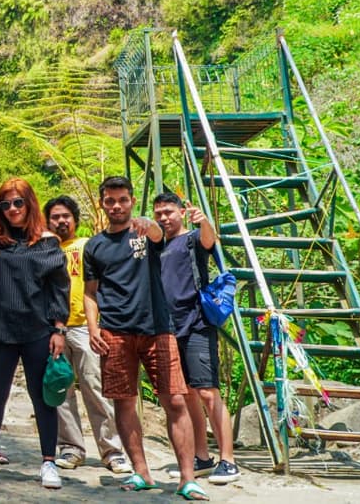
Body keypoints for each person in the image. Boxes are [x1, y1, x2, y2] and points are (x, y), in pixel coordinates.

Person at [84, 176, 205, 501]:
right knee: (123, 402)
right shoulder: (94, 246)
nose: (116, 206)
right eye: (110, 200)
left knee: (175, 400)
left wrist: (149, 225)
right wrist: (93, 328)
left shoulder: (146, 233)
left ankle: (188, 478)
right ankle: (141, 472)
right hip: (114, 332)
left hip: (158, 329)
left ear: (132, 200)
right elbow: (91, 292)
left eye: (122, 199)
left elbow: (158, 234)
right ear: (102, 203)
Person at [0, 179, 70, 487]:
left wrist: (59, 329)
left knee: (43, 398)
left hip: (38, 329)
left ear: (30, 204)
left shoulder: (47, 242)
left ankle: (49, 462)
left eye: (18, 203)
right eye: (5, 204)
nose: (12, 209)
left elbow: (59, 289)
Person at [152, 193, 240, 484]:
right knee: (188, 394)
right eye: (159, 213)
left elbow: (209, 241)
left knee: (207, 392)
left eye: (169, 212)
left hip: (197, 324)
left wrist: (204, 222)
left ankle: (228, 460)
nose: (164, 218)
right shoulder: (159, 246)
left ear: (180, 212)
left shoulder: (191, 239)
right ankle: (201, 457)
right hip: (170, 327)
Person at [44, 195, 130, 474]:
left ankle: (112, 451)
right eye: (55, 217)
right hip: (53, 328)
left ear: (75, 220)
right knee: (60, 389)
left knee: (96, 388)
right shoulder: (43, 249)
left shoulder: (88, 246)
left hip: (85, 326)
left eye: (65, 216)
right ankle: (71, 448)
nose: (61, 221)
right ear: (47, 222)